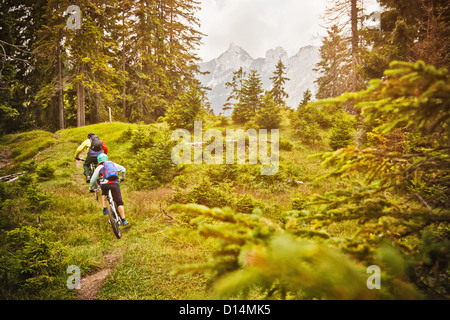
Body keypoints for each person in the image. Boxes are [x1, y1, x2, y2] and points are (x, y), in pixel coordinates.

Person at [89, 153, 129, 226]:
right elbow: (123, 169)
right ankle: (123, 220)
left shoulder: (99, 167)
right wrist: (122, 178)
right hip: (115, 184)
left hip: (104, 185)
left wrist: (90, 188)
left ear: (98, 161)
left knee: (104, 193)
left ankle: (104, 208)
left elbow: (93, 179)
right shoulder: (112, 164)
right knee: (119, 202)